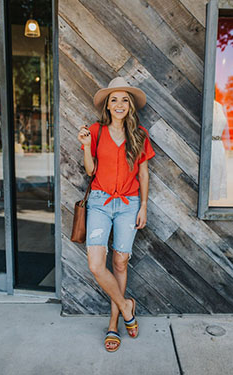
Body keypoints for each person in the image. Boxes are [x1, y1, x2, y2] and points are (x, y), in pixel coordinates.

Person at [78, 77, 155, 352]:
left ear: (130, 105)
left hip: (129, 204)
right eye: (114, 100)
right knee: (97, 265)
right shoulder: (96, 131)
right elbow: (90, 171)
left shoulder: (140, 134)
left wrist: (143, 205)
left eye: (124, 99)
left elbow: (144, 173)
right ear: (108, 106)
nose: (119, 104)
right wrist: (86, 145)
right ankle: (126, 306)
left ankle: (114, 324)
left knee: (120, 262)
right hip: (99, 202)